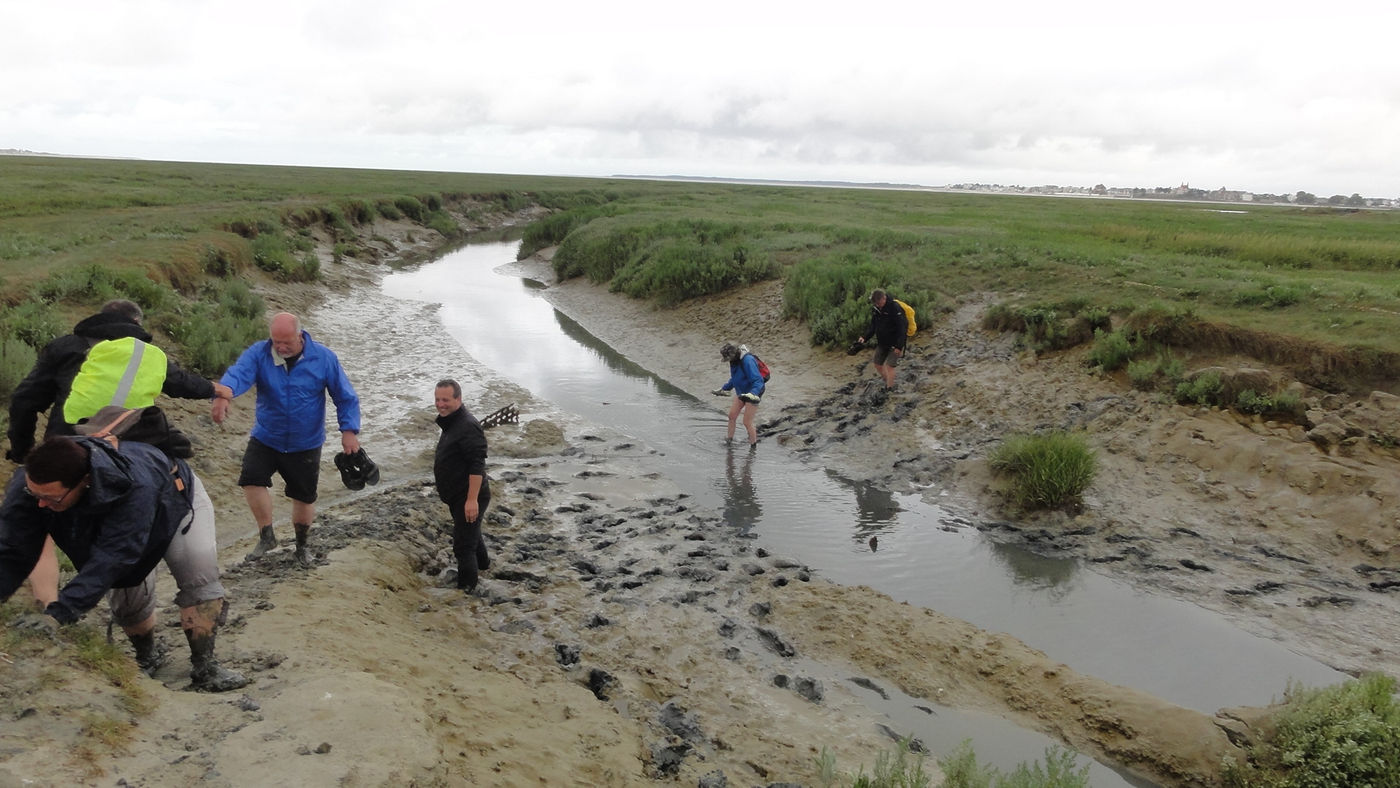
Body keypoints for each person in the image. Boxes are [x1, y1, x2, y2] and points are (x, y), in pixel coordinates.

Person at [5, 298, 231, 609]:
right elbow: (179, 383)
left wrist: (22, 451)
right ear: (137, 324)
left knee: (38, 521)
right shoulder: (145, 355)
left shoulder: (65, 347)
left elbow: (24, 401)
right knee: (125, 533)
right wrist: (215, 389)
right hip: (128, 462)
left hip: (61, 457)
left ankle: (47, 605)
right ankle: (103, 606)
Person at [0, 435, 248, 692]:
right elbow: (13, 552)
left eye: (52, 500)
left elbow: (114, 556)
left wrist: (58, 614)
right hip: (114, 519)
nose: (41, 504)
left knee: (199, 580)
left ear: (84, 482)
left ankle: (206, 667)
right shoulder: (32, 488)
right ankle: (146, 655)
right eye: (35, 495)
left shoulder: (136, 485)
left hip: (175, 500)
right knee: (127, 597)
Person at [211, 312, 360, 568]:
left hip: (306, 442)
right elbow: (239, 374)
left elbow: (344, 396)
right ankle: (267, 535)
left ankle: (302, 546)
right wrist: (224, 394)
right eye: (275, 341)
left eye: (286, 342)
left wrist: (349, 431)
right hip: (267, 436)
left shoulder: (324, 358)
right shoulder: (260, 353)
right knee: (251, 479)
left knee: (303, 497)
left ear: (300, 336)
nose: (280, 347)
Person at [432, 379, 491, 593]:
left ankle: (467, 591)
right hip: (457, 495)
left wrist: (472, 499)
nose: (440, 404)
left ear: (458, 399)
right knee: (471, 532)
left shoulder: (467, 425)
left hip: (469, 495)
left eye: (446, 400)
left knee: (463, 546)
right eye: (437, 399)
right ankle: (483, 565)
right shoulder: (451, 422)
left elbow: (477, 466)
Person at [853, 288, 908, 390]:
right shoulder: (876, 309)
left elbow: (902, 328)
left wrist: (899, 346)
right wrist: (864, 338)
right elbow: (873, 326)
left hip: (895, 343)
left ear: (884, 298)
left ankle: (889, 389)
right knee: (877, 364)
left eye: (878, 303)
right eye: (875, 304)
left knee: (889, 366)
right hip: (882, 342)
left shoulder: (895, 308)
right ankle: (888, 382)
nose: (877, 305)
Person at [711, 343, 765, 446]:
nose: (728, 361)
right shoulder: (734, 362)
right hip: (741, 392)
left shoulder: (748, 361)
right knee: (732, 416)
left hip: (754, 393)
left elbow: (758, 381)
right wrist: (723, 389)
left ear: (734, 355)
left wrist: (752, 394)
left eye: (728, 359)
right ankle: (729, 441)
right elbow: (735, 379)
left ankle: (753, 447)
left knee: (747, 422)